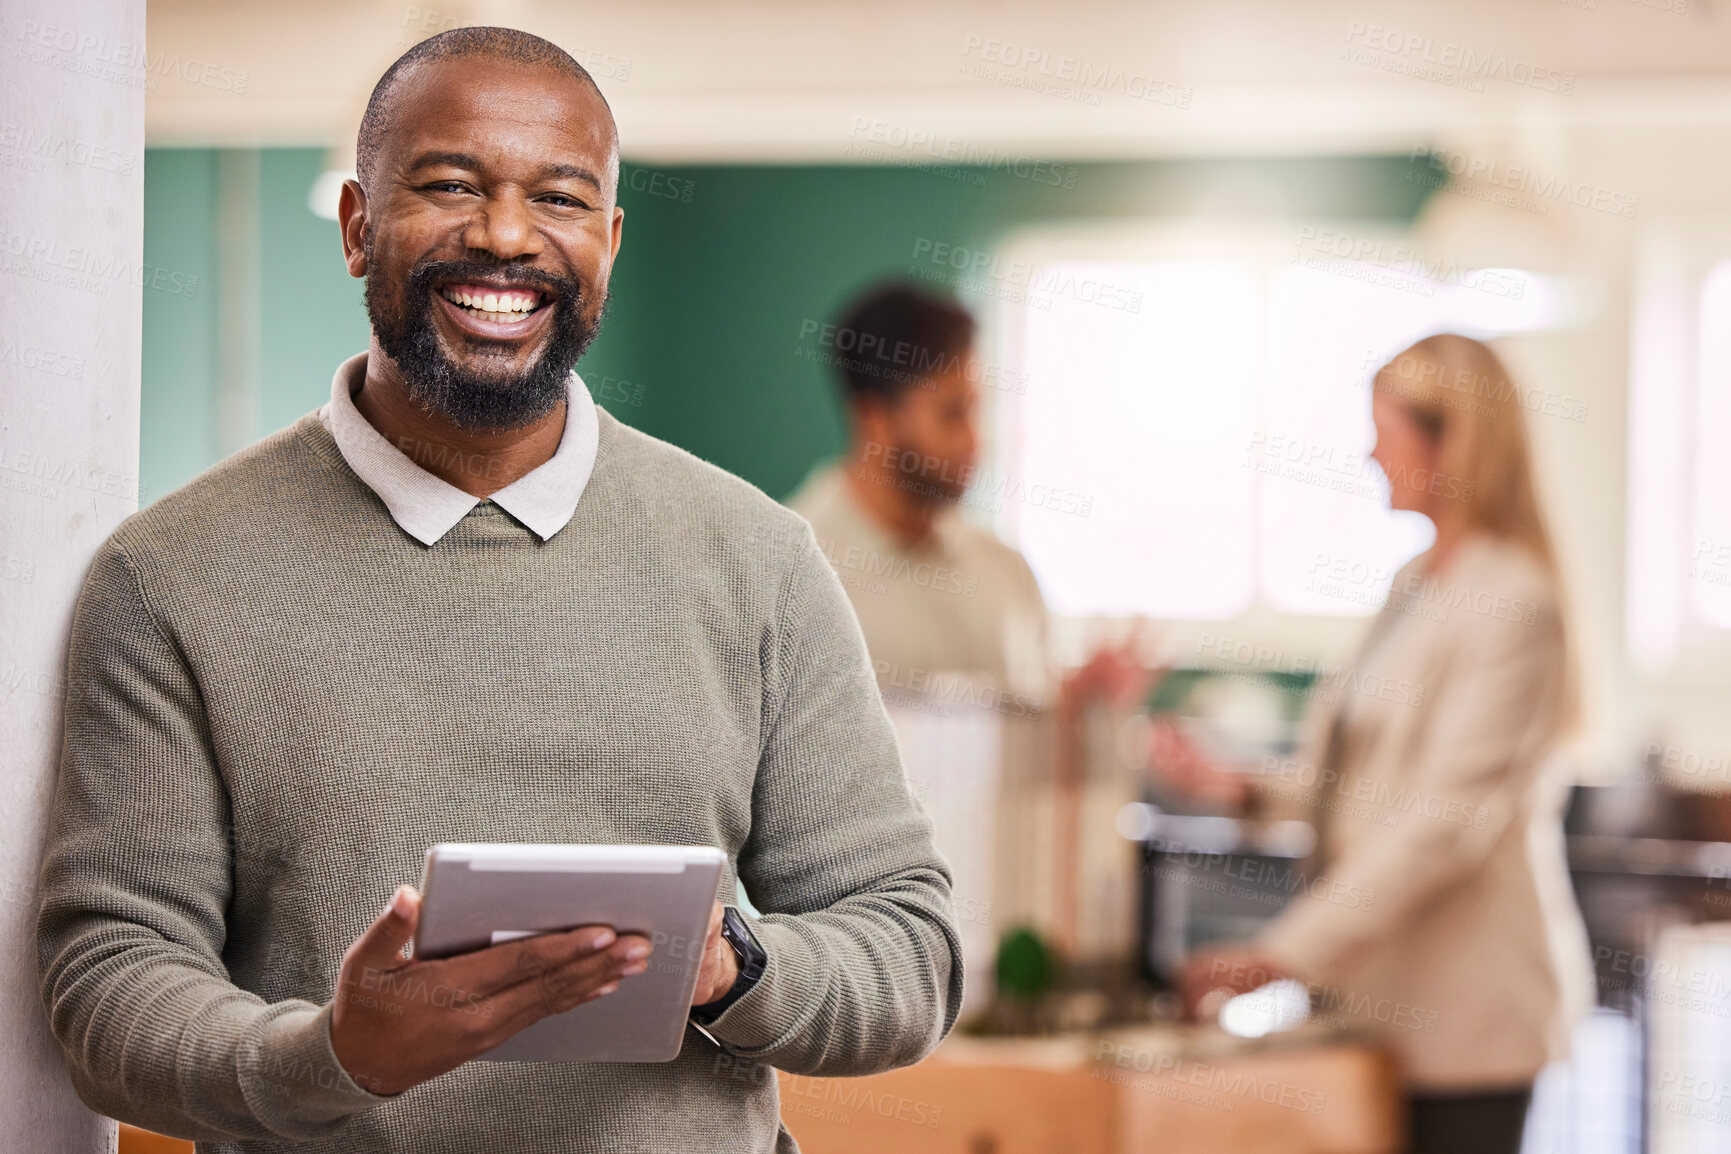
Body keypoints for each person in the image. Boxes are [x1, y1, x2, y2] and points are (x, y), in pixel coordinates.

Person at [36, 28, 960, 1153]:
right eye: (450, 185)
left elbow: (910, 950)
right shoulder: (171, 575)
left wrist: (723, 961)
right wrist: (336, 1053)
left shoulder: (758, 559)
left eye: (561, 200)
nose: (508, 236)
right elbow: (109, 986)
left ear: (609, 246)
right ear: (357, 225)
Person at [1178, 334, 1593, 1154]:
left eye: (1386, 431)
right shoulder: (1413, 584)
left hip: (1467, 1013)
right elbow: (1369, 782)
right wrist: (1246, 790)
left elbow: (1442, 823)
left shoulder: (1513, 600)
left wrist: (1276, 954)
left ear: (1452, 441)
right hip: (1378, 1003)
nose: (1370, 455)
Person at [786, 283, 1146, 712]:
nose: (975, 440)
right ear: (875, 419)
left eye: (976, 409)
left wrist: (1079, 705)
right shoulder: (790, 575)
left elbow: (1025, 734)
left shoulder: (1006, 571)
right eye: (952, 414)